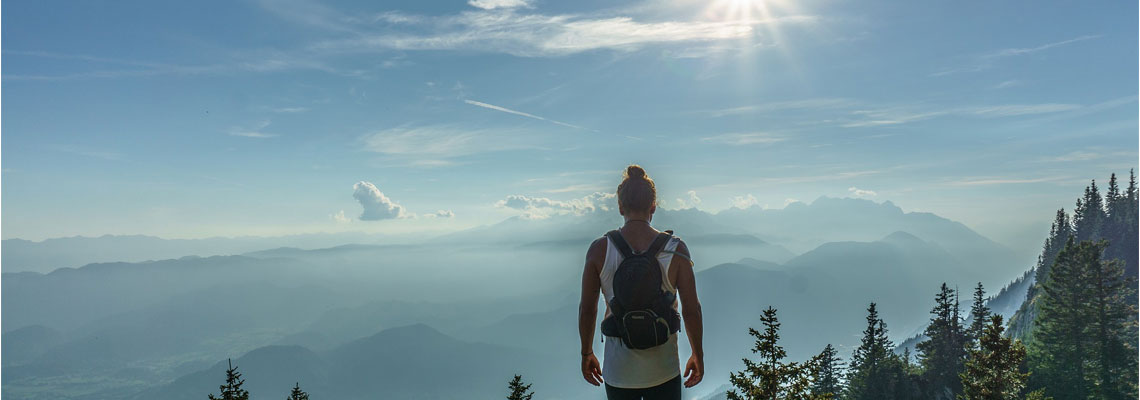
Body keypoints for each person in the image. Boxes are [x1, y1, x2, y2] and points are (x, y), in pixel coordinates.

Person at [578, 164, 704, 400]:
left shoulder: (599, 250)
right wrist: (698, 354)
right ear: (653, 206)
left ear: (620, 206)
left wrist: (586, 353)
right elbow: (692, 310)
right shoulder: (676, 250)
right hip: (664, 369)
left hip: (619, 372)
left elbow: (587, 309)